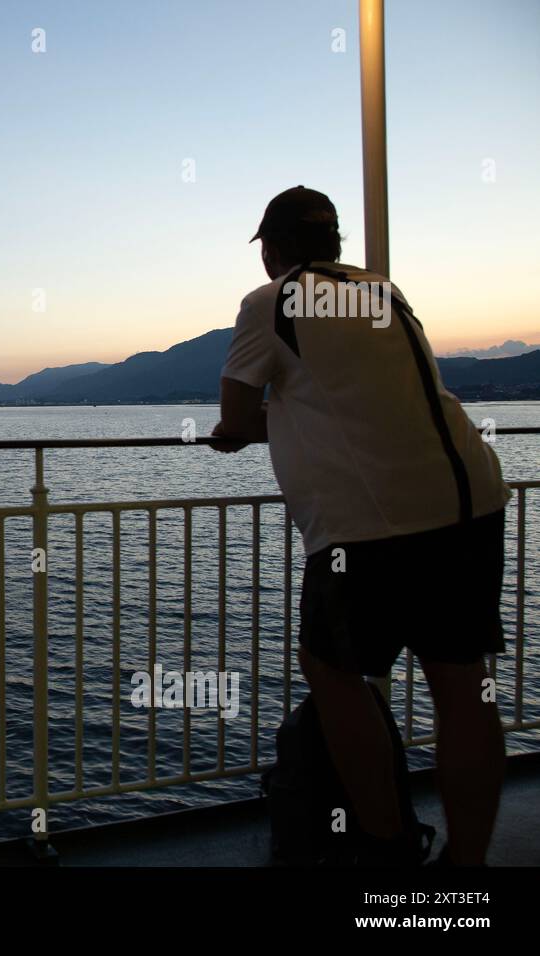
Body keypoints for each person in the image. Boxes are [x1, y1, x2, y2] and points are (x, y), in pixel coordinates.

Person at [211, 185, 510, 866]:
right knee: (462, 686)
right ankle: (467, 865)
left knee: (331, 669)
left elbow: (234, 420)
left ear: (276, 251)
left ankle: (386, 843)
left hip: (371, 523)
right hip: (471, 502)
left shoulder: (271, 301)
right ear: (336, 245)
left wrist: (258, 426)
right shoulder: (383, 291)